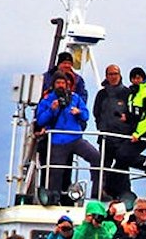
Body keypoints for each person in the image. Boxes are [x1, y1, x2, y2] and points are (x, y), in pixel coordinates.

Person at [35, 71, 100, 202]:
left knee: (96, 157)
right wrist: (51, 110)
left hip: (75, 138)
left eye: (63, 83)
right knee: (56, 171)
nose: (61, 85)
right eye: (58, 82)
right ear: (53, 84)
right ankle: (53, 198)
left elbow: (86, 115)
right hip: (57, 140)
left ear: (67, 84)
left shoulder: (75, 98)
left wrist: (79, 112)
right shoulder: (47, 100)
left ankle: (97, 191)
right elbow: (41, 120)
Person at [92, 63, 132, 200]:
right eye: (111, 74)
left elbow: (132, 114)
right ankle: (100, 193)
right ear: (106, 76)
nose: (113, 77)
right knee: (103, 167)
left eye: (116, 74)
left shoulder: (127, 93)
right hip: (106, 137)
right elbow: (96, 112)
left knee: (122, 169)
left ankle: (124, 196)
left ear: (120, 75)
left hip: (122, 138)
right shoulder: (101, 94)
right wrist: (101, 127)